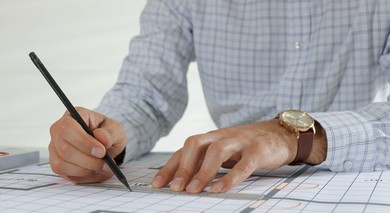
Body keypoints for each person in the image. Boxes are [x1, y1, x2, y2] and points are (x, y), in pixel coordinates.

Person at [48, 0, 390, 194]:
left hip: (360, 184)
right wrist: (108, 137)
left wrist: (295, 137)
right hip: (231, 188)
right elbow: (145, 94)